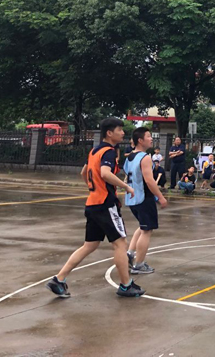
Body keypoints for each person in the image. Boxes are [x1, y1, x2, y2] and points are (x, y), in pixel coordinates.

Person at [46, 117, 145, 298]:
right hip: (105, 204)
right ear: (109, 133)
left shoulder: (94, 151)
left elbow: (84, 172)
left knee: (89, 245)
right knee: (120, 244)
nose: (123, 133)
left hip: (93, 203)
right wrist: (126, 187)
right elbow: (105, 174)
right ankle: (126, 285)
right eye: (120, 130)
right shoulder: (108, 152)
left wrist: (94, 188)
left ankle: (59, 279)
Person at [125, 127, 169, 275]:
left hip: (132, 198)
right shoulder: (145, 157)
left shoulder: (130, 157)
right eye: (149, 136)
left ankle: (130, 253)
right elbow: (149, 181)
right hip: (144, 198)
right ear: (140, 140)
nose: (151, 139)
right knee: (147, 230)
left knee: (143, 226)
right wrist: (160, 197)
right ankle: (139, 265)